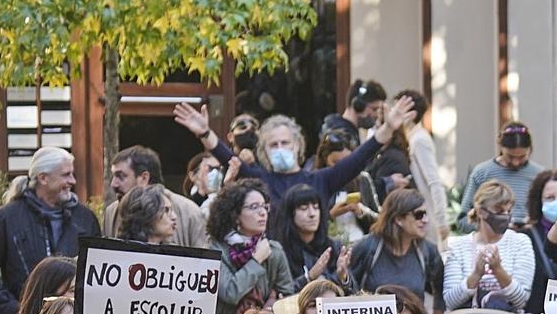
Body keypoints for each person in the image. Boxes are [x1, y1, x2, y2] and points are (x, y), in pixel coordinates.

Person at [174, 96, 419, 243]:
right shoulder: (258, 179)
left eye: (285, 143)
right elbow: (227, 157)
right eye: (273, 144)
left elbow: (358, 159)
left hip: (316, 267)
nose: (280, 148)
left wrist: (387, 129)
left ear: (297, 145)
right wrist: (205, 134)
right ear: (264, 151)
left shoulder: (321, 179)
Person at [0, 147, 100, 314]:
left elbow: (96, 273)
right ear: (43, 178)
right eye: (66, 175)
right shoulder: (6, 219)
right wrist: (21, 310)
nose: (72, 181)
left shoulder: (85, 219)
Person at [207, 179, 298, 314]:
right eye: (254, 207)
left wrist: (272, 311)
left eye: (264, 207)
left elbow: (290, 303)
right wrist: (256, 261)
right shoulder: (217, 249)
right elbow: (230, 293)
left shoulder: (274, 250)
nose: (262, 213)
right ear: (235, 215)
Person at [347, 187, 444, 314]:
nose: (425, 220)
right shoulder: (367, 247)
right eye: (419, 215)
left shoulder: (428, 251)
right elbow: (348, 293)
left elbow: (440, 292)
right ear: (398, 219)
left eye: (426, 214)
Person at [443, 180, 536, 311]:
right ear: (481, 212)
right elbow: (450, 301)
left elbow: (521, 300)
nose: (505, 216)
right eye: (498, 210)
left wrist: (498, 269)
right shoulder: (458, 245)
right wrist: (476, 274)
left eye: (508, 211)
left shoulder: (520, 242)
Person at [104, 145, 209, 248]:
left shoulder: (189, 212)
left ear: (144, 178)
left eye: (121, 176)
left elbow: (202, 261)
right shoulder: (112, 212)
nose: (113, 184)